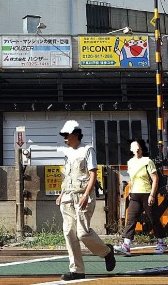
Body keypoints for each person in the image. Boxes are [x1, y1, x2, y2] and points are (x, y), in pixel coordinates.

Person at [56, 120, 115, 281]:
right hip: (68, 196)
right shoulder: (68, 154)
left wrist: (85, 195)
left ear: (76, 135)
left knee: (82, 233)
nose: (65, 139)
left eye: (67, 136)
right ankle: (77, 270)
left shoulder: (87, 150)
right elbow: (67, 176)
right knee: (69, 232)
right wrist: (61, 194)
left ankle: (107, 252)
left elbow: (93, 175)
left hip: (83, 196)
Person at [115, 139, 167, 256]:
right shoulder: (130, 162)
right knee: (131, 219)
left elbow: (155, 179)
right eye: (133, 147)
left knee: (153, 218)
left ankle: (161, 242)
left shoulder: (147, 161)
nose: (135, 149)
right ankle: (126, 245)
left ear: (141, 148)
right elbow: (132, 179)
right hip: (135, 194)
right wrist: (130, 192)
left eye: (137, 146)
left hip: (147, 193)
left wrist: (152, 195)